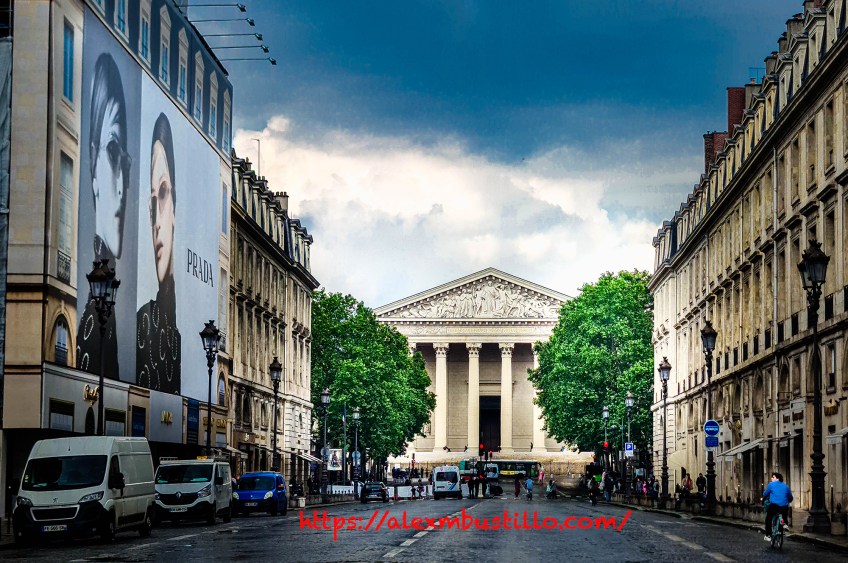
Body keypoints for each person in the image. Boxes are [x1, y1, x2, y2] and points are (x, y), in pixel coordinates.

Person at [77, 52, 131, 378]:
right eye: (112, 152)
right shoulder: (88, 318)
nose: (123, 187)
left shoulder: (106, 310)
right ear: (93, 164)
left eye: (124, 161)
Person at [136, 113, 181, 393]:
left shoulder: (185, 337)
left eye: (163, 194)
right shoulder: (142, 323)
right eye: (152, 200)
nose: (156, 222)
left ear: (176, 205)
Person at [762, 472, 793, 541]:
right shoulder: (786, 486)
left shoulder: (771, 485)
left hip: (774, 506)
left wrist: (765, 496)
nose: (771, 478)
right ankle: (785, 523)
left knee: (768, 518)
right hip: (784, 507)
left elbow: (765, 493)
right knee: (784, 513)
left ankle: (768, 535)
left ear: (777, 478)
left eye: (773, 477)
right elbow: (790, 498)